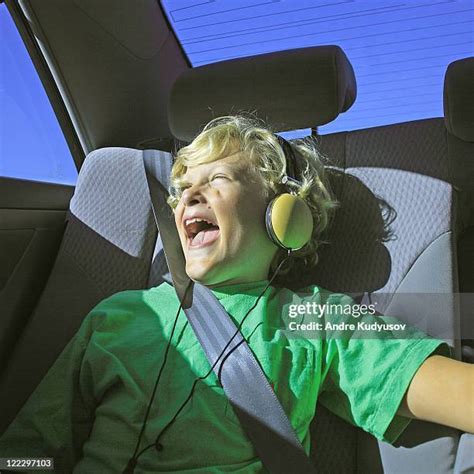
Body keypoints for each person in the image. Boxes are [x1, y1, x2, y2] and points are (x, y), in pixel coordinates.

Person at [0, 115, 472, 473]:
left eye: (217, 179)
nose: (188, 197)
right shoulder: (118, 316)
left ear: (284, 216)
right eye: (182, 189)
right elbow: (31, 454)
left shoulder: (314, 318)